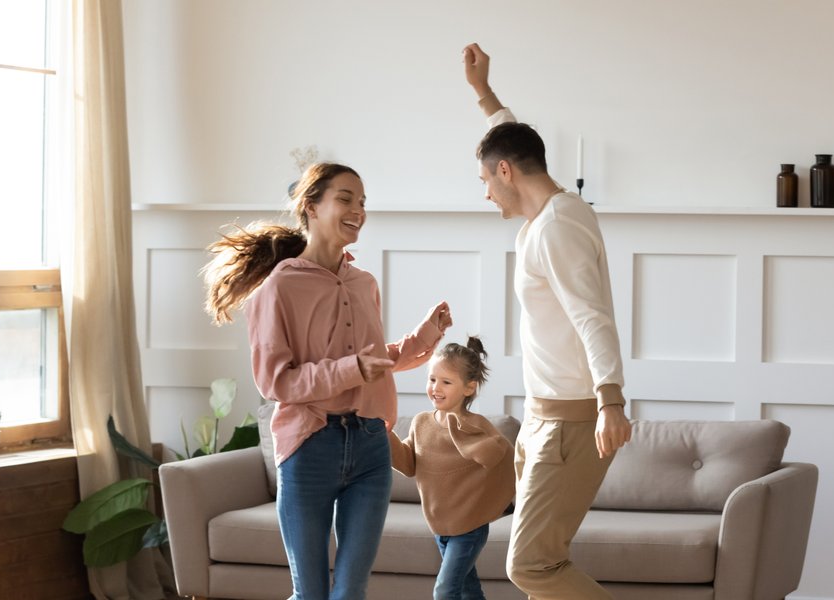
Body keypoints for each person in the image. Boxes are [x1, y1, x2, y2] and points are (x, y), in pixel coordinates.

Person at [202, 162, 453, 600]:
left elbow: (373, 362)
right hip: (309, 446)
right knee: (311, 594)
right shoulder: (278, 287)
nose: (358, 210)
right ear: (311, 206)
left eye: (363, 202)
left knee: (350, 592)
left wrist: (425, 336)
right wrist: (351, 369)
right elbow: (275, 382)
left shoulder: (364, 283)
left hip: (371, 445)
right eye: (345, 199)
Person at [461, 43, 633, 600]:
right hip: (542, 418)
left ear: (505, 172)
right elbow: (508, 138)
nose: (486, 192)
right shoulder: (546, 215)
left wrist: (611, 401)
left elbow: (591, 315)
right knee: (543, 570)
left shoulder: (558, 225)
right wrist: (485, 94)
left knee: (532, 566)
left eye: (487, 180)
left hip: (568, 422)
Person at [388, 336, 515, 600]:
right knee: (468, 589)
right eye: (432, 379)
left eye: (446, 382)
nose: (436, 387)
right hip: (440, 525)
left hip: (470, 527)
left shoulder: (476, 425)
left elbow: (497, 455)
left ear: (469, 388)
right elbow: (408, 463)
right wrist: (384, 435)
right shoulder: (421, 422)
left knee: (444, 591)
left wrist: (461, 435)